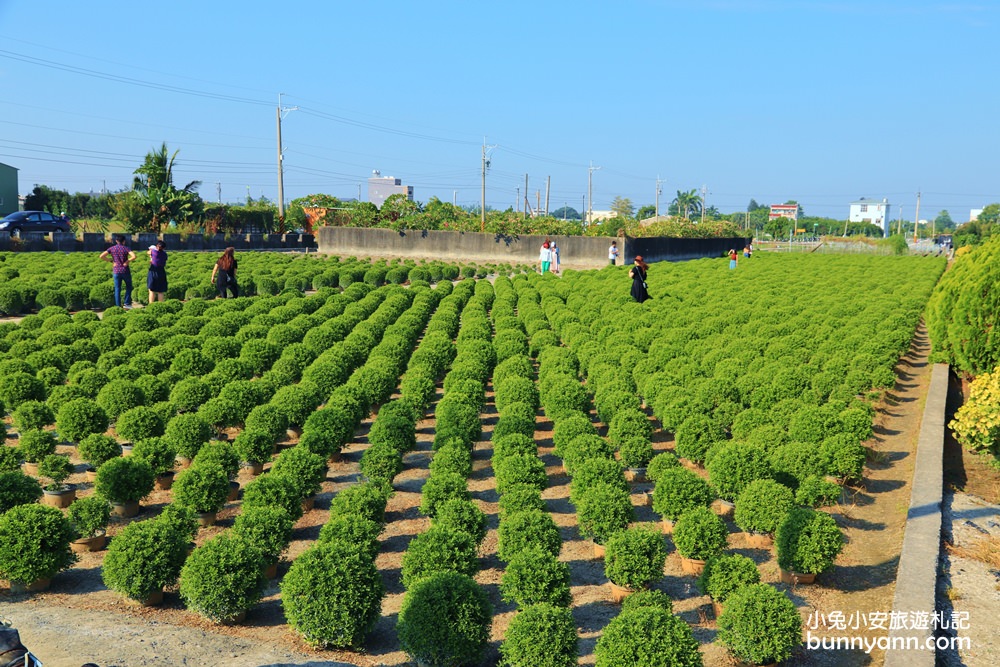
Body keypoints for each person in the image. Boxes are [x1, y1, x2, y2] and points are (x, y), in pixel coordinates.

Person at [99, 235, 136, 309]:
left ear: (116, 241)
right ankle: (127, 303)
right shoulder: (126, 248)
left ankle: (118, 306)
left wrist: (111, 261)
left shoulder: (112, 248)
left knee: (117, 288)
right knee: (129, 287)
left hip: (116, 270)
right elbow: (134, 256)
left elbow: (101, 256)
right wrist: (127, 261)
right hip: (125, 270)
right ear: (124, 241)